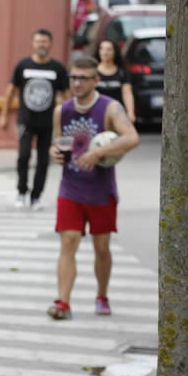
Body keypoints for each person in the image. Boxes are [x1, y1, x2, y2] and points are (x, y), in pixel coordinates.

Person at [46, 56, 138, 320]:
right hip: (70, 188)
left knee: (101, 248)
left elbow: (132, 138)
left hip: (101, 191)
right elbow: (57, 143)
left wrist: (98, 153)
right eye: (73, 77)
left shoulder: (110, 108)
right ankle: (63, 302)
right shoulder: (61, 111)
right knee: (68, 242)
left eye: (83, 78)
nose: (76, 82)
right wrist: (55, 152)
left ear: (95, 80)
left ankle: (102, 294)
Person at [0, 28, 70, 211]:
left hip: (48, 123)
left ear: (50, 44)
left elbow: (67, 95)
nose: (41, 45)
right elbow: (10, 91)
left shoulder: (57, 68)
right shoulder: (23, 66)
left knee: (43, 161)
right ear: (33, 43)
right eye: (38, 41)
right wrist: (4, 115)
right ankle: (22, 192)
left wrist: (66, 117)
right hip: (25, 120)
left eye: (44, 41)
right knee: (23, 156)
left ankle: (36, 196)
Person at [94, 38, 135, 123]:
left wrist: (130, 112)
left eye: (109, 49)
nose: (105, 52)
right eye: (102, 49)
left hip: (117, 114)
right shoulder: (92, 72)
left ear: (115, 52)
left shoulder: (122, 72)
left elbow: (127, 93)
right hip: (96, 113)